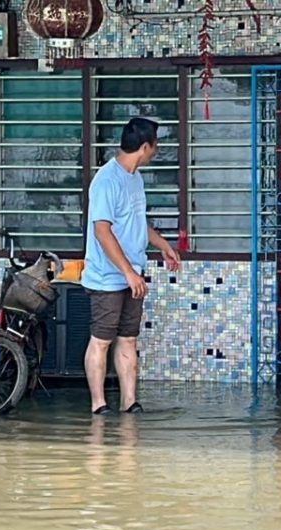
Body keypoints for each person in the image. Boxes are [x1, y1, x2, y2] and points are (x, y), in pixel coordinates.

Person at [82, 117, 181, 415]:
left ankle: (129, 402)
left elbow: (137, 223)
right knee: (101, 340)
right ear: (145, 146)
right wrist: (126, 271)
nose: (156, 150)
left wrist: (163, 245)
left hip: (131, 275)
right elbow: (102, 231)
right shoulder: (106, 180)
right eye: (156, 145)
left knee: (128, 338)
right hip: (107, 278)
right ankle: (98, 404)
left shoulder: (135, 178)